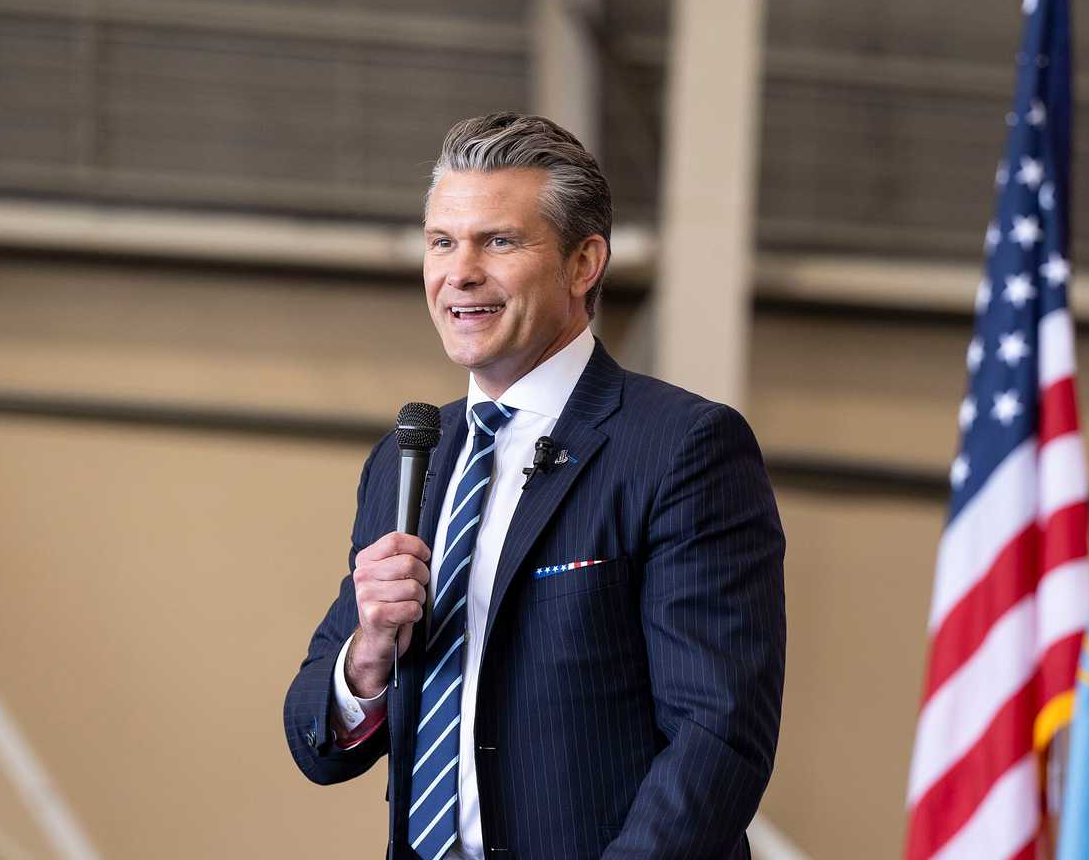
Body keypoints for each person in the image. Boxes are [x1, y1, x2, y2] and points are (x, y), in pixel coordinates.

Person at [284, 112, 786, 860]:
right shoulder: (405, 457)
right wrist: (369, 653)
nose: (460, 272)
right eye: (442, 243)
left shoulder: (684, 447)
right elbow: (317, 742)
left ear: (583, 265)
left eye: (500, 241)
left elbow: (717, 735)